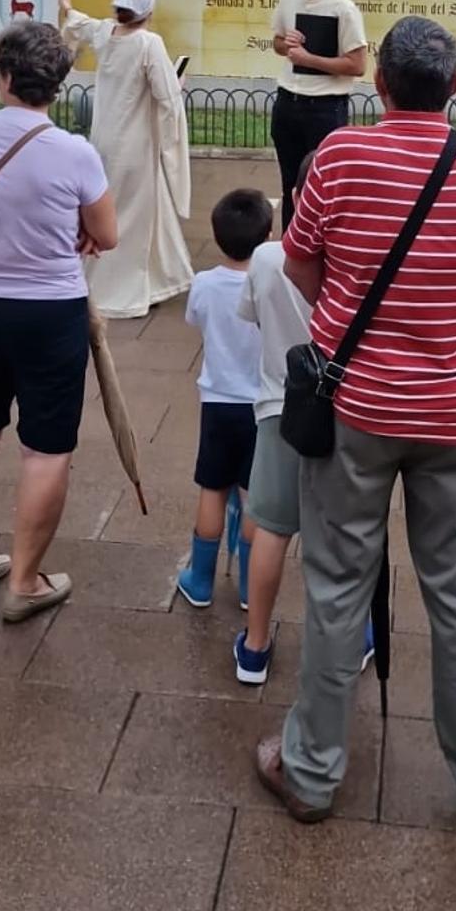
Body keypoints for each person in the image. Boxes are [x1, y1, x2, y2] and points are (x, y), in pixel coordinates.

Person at [255, 14, 456, 828]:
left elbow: (299, 262)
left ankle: (311, 771)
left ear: (378, 86)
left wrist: (354, 317)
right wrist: (446, 326)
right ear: (455, 87)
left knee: (337, 586)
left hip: (354, 408)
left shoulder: (341, 156)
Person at [0, 20, 117, 621]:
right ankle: (24, 581)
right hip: (48, 312)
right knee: (45, 449)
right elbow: (107, 233)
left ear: (6, 76)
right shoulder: (75, 152)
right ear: (57, 84)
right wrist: (79, 230)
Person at [234, 149, 377, 687]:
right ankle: (350, 639)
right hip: (348, 410)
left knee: (272, 530)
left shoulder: (266, 259)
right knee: (345, 534)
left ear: (295, 197)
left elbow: (251, 317)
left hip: (280, 408)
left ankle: (254, 647)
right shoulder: (364, 258)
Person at [58, 0, 193, 319]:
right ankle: (120, 293)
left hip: (103, 140)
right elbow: (166, 96)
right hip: (136, 147)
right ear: (149, 10)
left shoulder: (106, 32)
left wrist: (68, 8)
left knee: (120, 211)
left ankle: (156, 282)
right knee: (131, 221)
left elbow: (80, 24)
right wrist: (177, 85)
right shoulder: (149, 43)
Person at [175, 189, 268, 612]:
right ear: (267, 235)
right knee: (253, 497)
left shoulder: (205, 284)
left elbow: (194, 319)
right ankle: (250, 586)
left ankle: (200, 580)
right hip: (260, 406)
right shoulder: (269, 282)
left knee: (212, 489)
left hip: (217, 402)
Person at [270, 0, 367, 231]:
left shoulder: (344, 9)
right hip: (288, 102)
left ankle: (320, 243)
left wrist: (309, 59)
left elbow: (357, 65)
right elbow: (277, 43)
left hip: (324, 108)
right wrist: (286, 45)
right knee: (289, 184)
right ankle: (289, 244)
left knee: (321, 185)